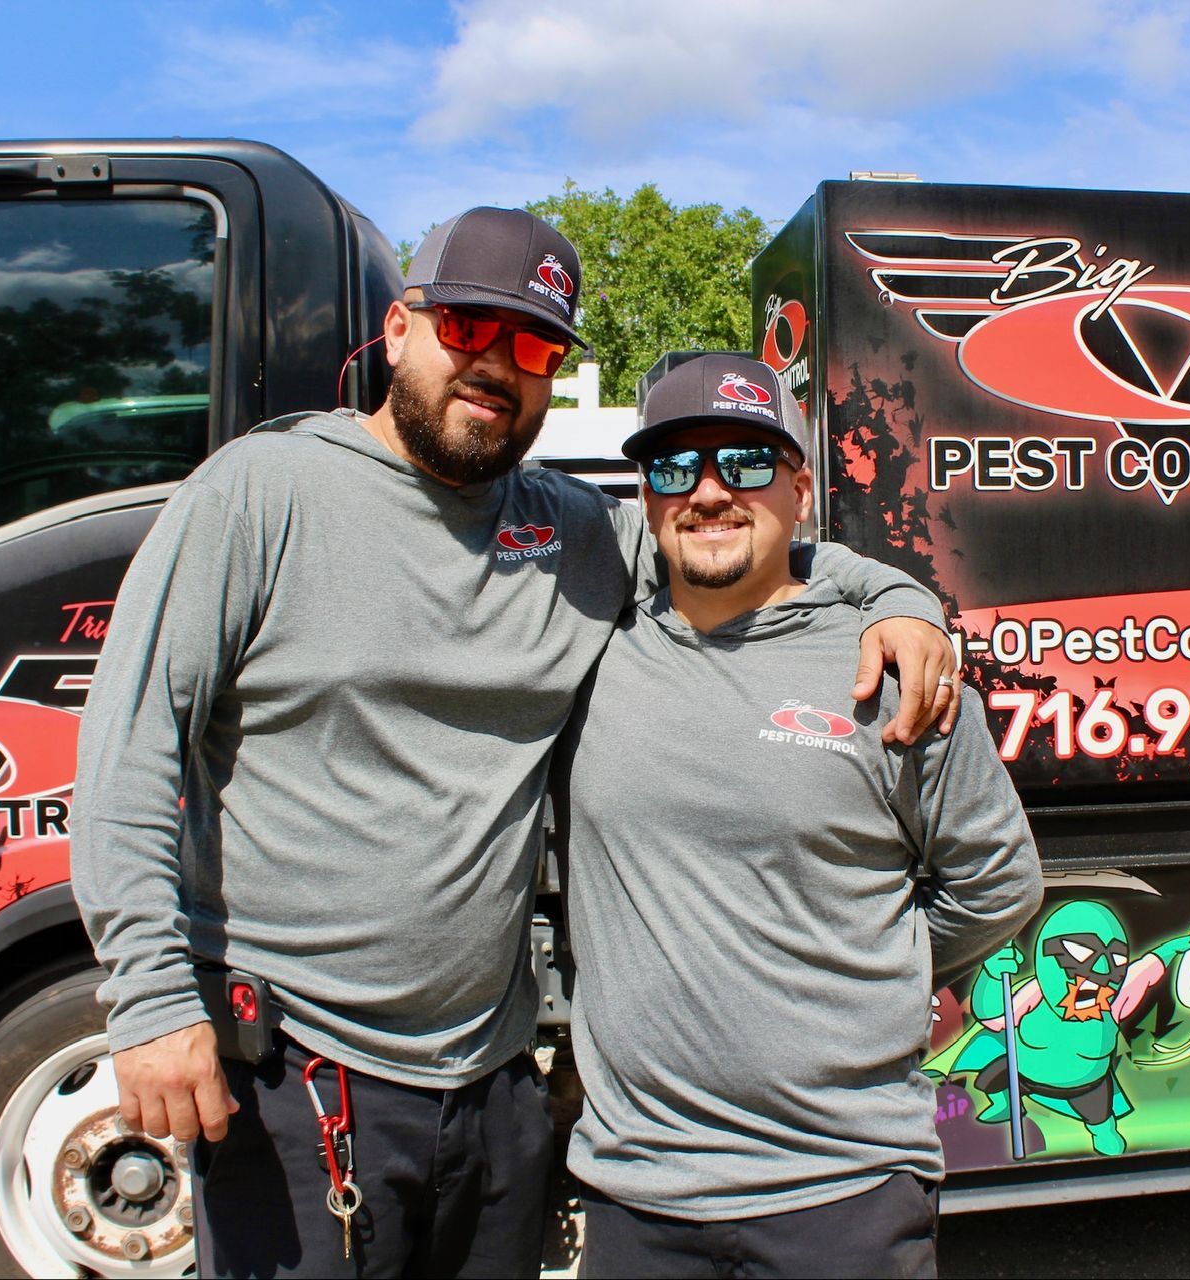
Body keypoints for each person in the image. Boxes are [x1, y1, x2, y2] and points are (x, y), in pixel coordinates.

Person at [71, 209, 959, 1278]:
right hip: (305, 1073)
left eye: (534, 345)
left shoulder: (574, 530)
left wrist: (906, 599)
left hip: (494, 1084)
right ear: (400, 328)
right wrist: (152, 997)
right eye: (469, 326)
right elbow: (130, 752)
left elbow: (743, 539)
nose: (497, 363)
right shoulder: (262, 494)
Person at [558, 353, 1044, 1279]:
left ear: (801, 490)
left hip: (844, 1190)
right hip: (636, 1194)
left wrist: (870, 967)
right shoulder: (587, 654)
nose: (708, 493)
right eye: (673, 468)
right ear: (645, 498)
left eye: (744, 462)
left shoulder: (896, 673)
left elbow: (998, 881)